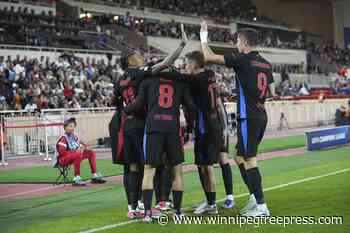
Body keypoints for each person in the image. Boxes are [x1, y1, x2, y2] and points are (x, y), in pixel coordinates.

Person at [111, 24, 189, 219]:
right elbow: (165, 63)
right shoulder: (141, 73)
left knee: (131, 166)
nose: (142, 57)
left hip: (125, 124)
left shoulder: (119, 80)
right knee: (151, 165)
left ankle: (132, 206)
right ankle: (158, 203)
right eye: (138, 55)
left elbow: (116, 103)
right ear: (130, 60)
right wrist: (180, 47)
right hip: (142, 123)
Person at [200, 20, 275, 217]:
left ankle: (261, 206)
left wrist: (203, 37)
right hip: (261, 114)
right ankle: (253, 197)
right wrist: (246, 95)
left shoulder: (242, 59)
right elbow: (271, 93)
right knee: (239, 156)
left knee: (249, 159)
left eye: (237, 41)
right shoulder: (266, 63)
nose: (236, 45)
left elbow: (207, 56)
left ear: (243, 42)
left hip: (248, 116)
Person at [123, 69, 196, 222]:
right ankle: (177, 211)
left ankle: (148, 213)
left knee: (149, 170)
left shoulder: (148, 82)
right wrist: (190, 127)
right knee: (177, 171)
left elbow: (137, 104)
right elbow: (190, 106)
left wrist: (125, 110)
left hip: (154, 128)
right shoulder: (180, 83)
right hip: (173, 130)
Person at [183, 51, 224, 215]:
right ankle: (209, 202)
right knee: (204, 165)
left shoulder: (195, 80)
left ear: (193, 64)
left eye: (187, 64)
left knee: (205, 166)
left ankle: (211, 204)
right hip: (214, 123)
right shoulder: (210, 74)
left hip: (204, 126)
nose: (186, 67)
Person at [56, 117, 106, 186]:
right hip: (62, 160)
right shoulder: (63, 139)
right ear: (65, 127)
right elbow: (62, 153)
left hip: (75, 156)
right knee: (78, 154)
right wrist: (75, 152)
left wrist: (84, 147)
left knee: (91, 153)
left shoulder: (74, 137)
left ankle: (94, 175)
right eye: (70, 126)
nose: (72, 128)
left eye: (73, 126)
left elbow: (79, 145)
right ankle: (77, 178)